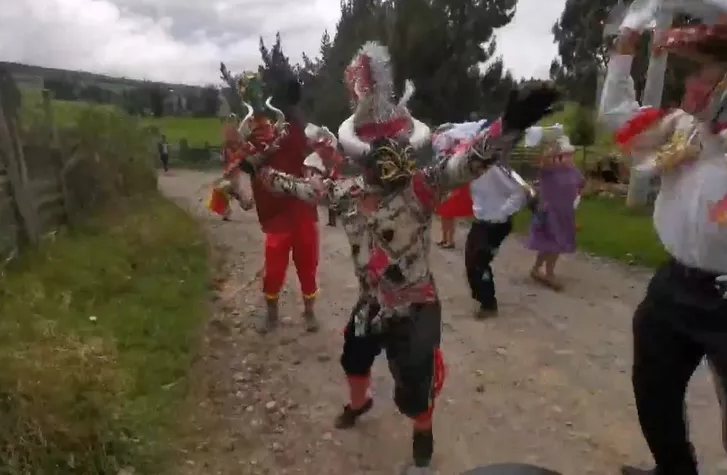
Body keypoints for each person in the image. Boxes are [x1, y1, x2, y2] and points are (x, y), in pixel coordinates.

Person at [246, 40, 560, 474]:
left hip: (415, 306)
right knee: (353, 356)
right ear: (364, 159)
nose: (387, 158)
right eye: (378, 152)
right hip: (371, 302)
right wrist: (260, 172)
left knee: (416, 381)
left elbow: (466, 163)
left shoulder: (422, 189)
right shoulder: (346, 194)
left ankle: (422, 431)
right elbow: (299, 186)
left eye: (394, 147)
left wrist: (509, 125)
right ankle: (360, 403)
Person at [599, 0, 727, 474]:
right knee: (654, 389)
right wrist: (626, 45)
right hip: (675, 286)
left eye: (705, 74)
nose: (691, 82)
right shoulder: (682, 128)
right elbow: (618, 118)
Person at [233, 70, 322, 334]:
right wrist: (263, 151)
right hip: (278, 215)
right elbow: (248, 165)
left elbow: (320, 162)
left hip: (302, 210)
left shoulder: (303, 133)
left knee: (308, 263)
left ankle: (309, 313)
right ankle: (272, 315)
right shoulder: (263, 136)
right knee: (274, 267)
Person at [465, 146, 532, 320]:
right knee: (471, 260)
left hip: (496, 224)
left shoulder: (495, 171)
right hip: (481, 221)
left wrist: (501, 213)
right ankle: (481, 295)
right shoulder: (473, 171)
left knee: (480, 261)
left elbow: (521, 192)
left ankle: (488, 303)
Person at [524, 125, 584, 291]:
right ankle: (549, 274)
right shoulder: (549, 171)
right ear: (557, 157)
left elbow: (580, 187)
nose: (569, 159)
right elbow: (543, 162)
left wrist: (576, 204)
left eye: (571, 156)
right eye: (565, 156)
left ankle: (536, 269)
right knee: (554, 244)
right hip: (550, 213)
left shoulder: (574, 172)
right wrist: (552, 145)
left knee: (551, 244)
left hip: (565, 213)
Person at [432, 121, 484, 249]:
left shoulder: (460, 150)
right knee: (444, 213)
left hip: (453, 185)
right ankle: (445, 238)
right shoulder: (445, 152)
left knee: (449, 213)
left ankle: (450, 240)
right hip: (445, 184)